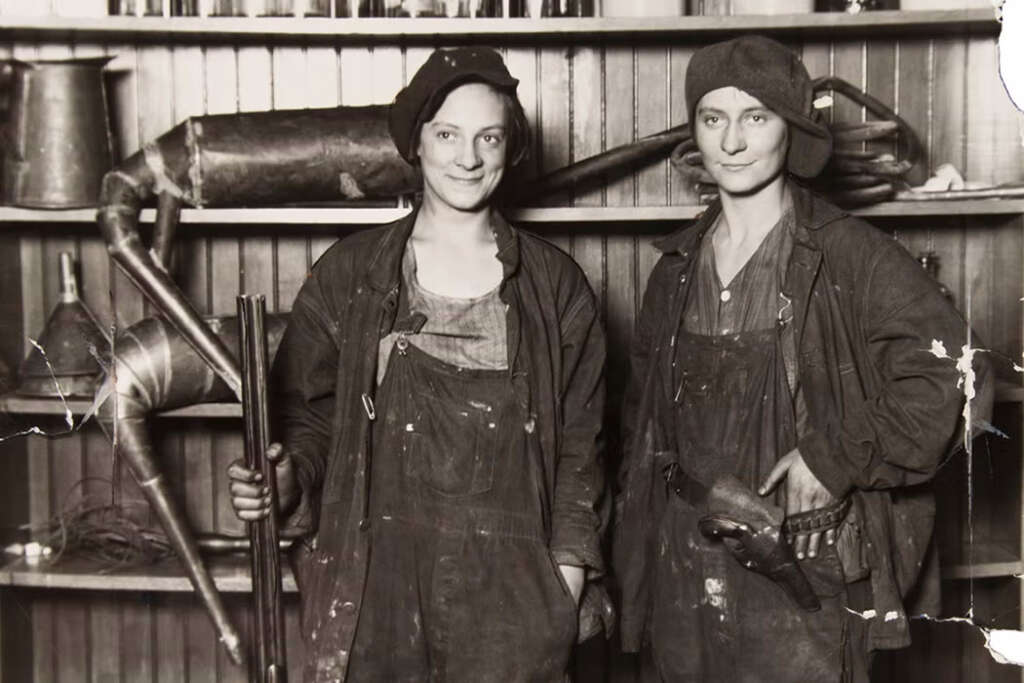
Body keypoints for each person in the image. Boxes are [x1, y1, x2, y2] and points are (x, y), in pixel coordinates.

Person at [614, 35, 991, 682]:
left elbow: (959, 373)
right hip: (684, 571)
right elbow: (640, 438)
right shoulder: (674, 271)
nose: (732, 141)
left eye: (755, 117)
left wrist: (835, 454)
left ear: (790, 128)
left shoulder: (849, 255)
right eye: (714, 118)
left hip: (800, 573)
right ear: (695, 132)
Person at [227, 47, 608, 682]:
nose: (468, 157)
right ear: (417, 144)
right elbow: (309, 429)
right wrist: (286, 482)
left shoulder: (556, 288)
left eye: (489, 136)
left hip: (514, 608)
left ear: (510, 147)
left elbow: (582, 456)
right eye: (447, 134)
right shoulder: (349, 276)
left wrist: (560, 593)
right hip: (379, 594)